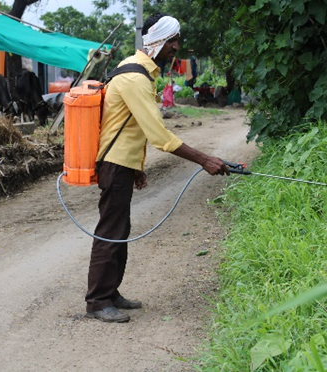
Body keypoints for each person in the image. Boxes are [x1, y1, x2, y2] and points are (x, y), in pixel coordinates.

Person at [86, 14, 230, 323]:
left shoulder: (137, 71)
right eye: (172, 41)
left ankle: (110, 293)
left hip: (121, 163)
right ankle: (97, 301)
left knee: (119, 229)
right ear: (157, 42)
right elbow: (160, 136)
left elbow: (128, 127)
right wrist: (205, 160)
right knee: (110, 231)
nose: (176, 47)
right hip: (114, 164)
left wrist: (136, 166)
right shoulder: (135, 78)